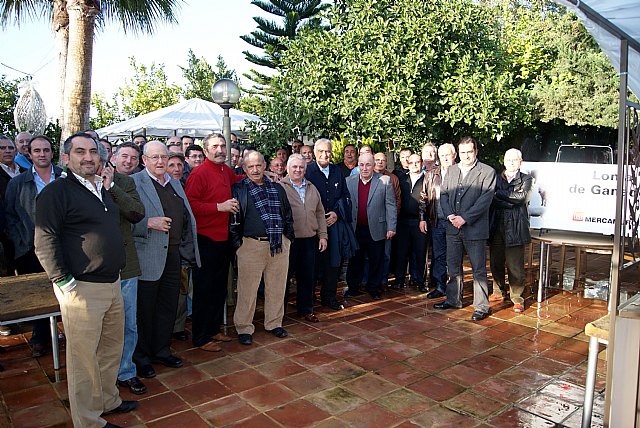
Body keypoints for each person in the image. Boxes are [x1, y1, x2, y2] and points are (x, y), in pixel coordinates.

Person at [35, 132, 137, 427]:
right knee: (83, 359)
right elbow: (44, 240)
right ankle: (88, 421)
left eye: (93, 151)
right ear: (66, 158)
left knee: (109, 349)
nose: (89, 157)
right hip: (82, 288)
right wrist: (64, 283)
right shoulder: (56, 192)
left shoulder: (100, 189)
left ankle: (107, 400)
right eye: (80, 152)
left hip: (112, 283)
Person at [131, 141, 200, 378]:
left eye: (163, 157)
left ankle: (161, 349)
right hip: (148, 256)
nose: (160, 162)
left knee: (168, 305)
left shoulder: (174, 183)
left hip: (173, 255)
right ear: (144, 160)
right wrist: (147, 223)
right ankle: (141, 357)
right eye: (154, 157)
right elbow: (121, 220)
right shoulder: (134, 182)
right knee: (145, 309)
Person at [4, 135, 62, 357]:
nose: (42, 154)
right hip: (31, 248)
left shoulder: (64, 176)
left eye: (46, 150)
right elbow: (10, 215)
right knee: (38, 295)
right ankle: (40, 338)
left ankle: (63, 333)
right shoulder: (18, 183)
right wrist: (21, 241)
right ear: (29, 153)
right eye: (37, 151)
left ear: (52, 152)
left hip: (63, 246)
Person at [185, 133, 242, 352]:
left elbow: (237, 181)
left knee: (219, 288)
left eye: (223, 146)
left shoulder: (225, 170)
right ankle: (200, 337)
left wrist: (259, 173)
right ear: (206, 150)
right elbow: (190, 205)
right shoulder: (198, 173)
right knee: (204, 290)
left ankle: (214, 328)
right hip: (206, 239)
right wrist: (219, 207)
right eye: (215, 146)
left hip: (224, 239)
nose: (220, 150)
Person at [230, 151, 294, 345]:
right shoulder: (238, 189)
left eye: (258, 165)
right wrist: (238, 246)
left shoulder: (277, 188)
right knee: (247, 289)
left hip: (278, 244)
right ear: (244, 168)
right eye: (251, 166)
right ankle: (244, 327)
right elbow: (232, 221)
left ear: (265, 165)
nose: (255, 169)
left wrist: (287, 238)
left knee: (277, 286)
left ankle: (274, 323)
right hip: (250, 245)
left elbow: (288, 214)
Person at [435, 136, 496, 321]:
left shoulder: (487, 171)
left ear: (476, 151)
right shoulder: (451, 170)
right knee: (453, 267)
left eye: (470, 151)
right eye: (463, 152)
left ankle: (481, 307)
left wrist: (465, 218)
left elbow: (484, 201)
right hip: (452, 227)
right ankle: (453, 299)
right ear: (458, 153)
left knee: (478, 269)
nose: (466, 155)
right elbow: (444, 194)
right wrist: (450, 215)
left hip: (475, 229)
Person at [305, 138, 353, 310]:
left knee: (333, 263)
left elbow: (345, 196)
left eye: (328, 151)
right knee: (312, 263)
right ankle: (308, 300)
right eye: (321, 151)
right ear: (315, 153)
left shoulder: (337, 171)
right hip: (313, 227)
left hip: (333, 225)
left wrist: (337, 214)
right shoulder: (307, 171)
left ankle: (329, 297)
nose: (325, 155)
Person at [281, 154, 327, 323]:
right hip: (289, 241)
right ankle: (279, 313)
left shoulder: (311, 188)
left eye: (301, 167)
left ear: (305, 169)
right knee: (283, 279)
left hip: (309, 240)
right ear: (288, 168)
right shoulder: (280, 187)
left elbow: (320, 213)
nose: (298, 170)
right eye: (294, 167)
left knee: (308, 277)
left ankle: (306, 309)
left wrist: (323, 235)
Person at [343, 153, 396, 300]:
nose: (365, 168)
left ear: (373, 166)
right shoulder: (349, 181)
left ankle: (374, 287)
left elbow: (390, 205)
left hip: (377, 228)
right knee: (355, 260)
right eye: (361, 165)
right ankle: (353, 287)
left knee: (376, 260)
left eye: (368, 164)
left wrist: (391, 226)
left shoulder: (385, 181)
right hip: (355, 229)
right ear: (357, 165)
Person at [489, 148, 532, 313]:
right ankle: (498, 291)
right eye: (508, 160)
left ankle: (517, 298)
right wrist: (510, 198)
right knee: (495, 262)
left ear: (520, 162)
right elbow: (491, 199)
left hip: (516, 227)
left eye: (515, 160)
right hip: (496, 225)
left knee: (515, 266)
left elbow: (521, 198)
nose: (511, 163)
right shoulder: (495, 178)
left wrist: (500, 195)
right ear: (504, 161)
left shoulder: (527, 179)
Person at [419, 143, 457, 299]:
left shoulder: (461, 172)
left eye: (448, 155)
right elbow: (423, 197)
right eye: (442, 155)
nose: (445, 158)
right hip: (437, 221)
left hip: (455, 222)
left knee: (454, 256)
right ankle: (440, 286)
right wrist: (422, 218)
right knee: (439, 255)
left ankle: (454, 288)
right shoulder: (431, 174)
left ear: (454, 155)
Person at [393, 154, 427, 292]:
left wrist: (424, 219)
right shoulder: (402, 179)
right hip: (402, 221)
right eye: (411, 162)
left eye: (417, 162)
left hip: (420, 222)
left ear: (422, 163)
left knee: (420, 253)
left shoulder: (427, 179)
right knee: (401, 253)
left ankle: (421, 282)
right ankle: (399, 280)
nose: (414, 164)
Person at [0, 135, 25, 276]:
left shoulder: (26, 172)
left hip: (27, 232)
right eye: (2, 148)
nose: (7, 151)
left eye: (10, 148)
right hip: (5, 234)